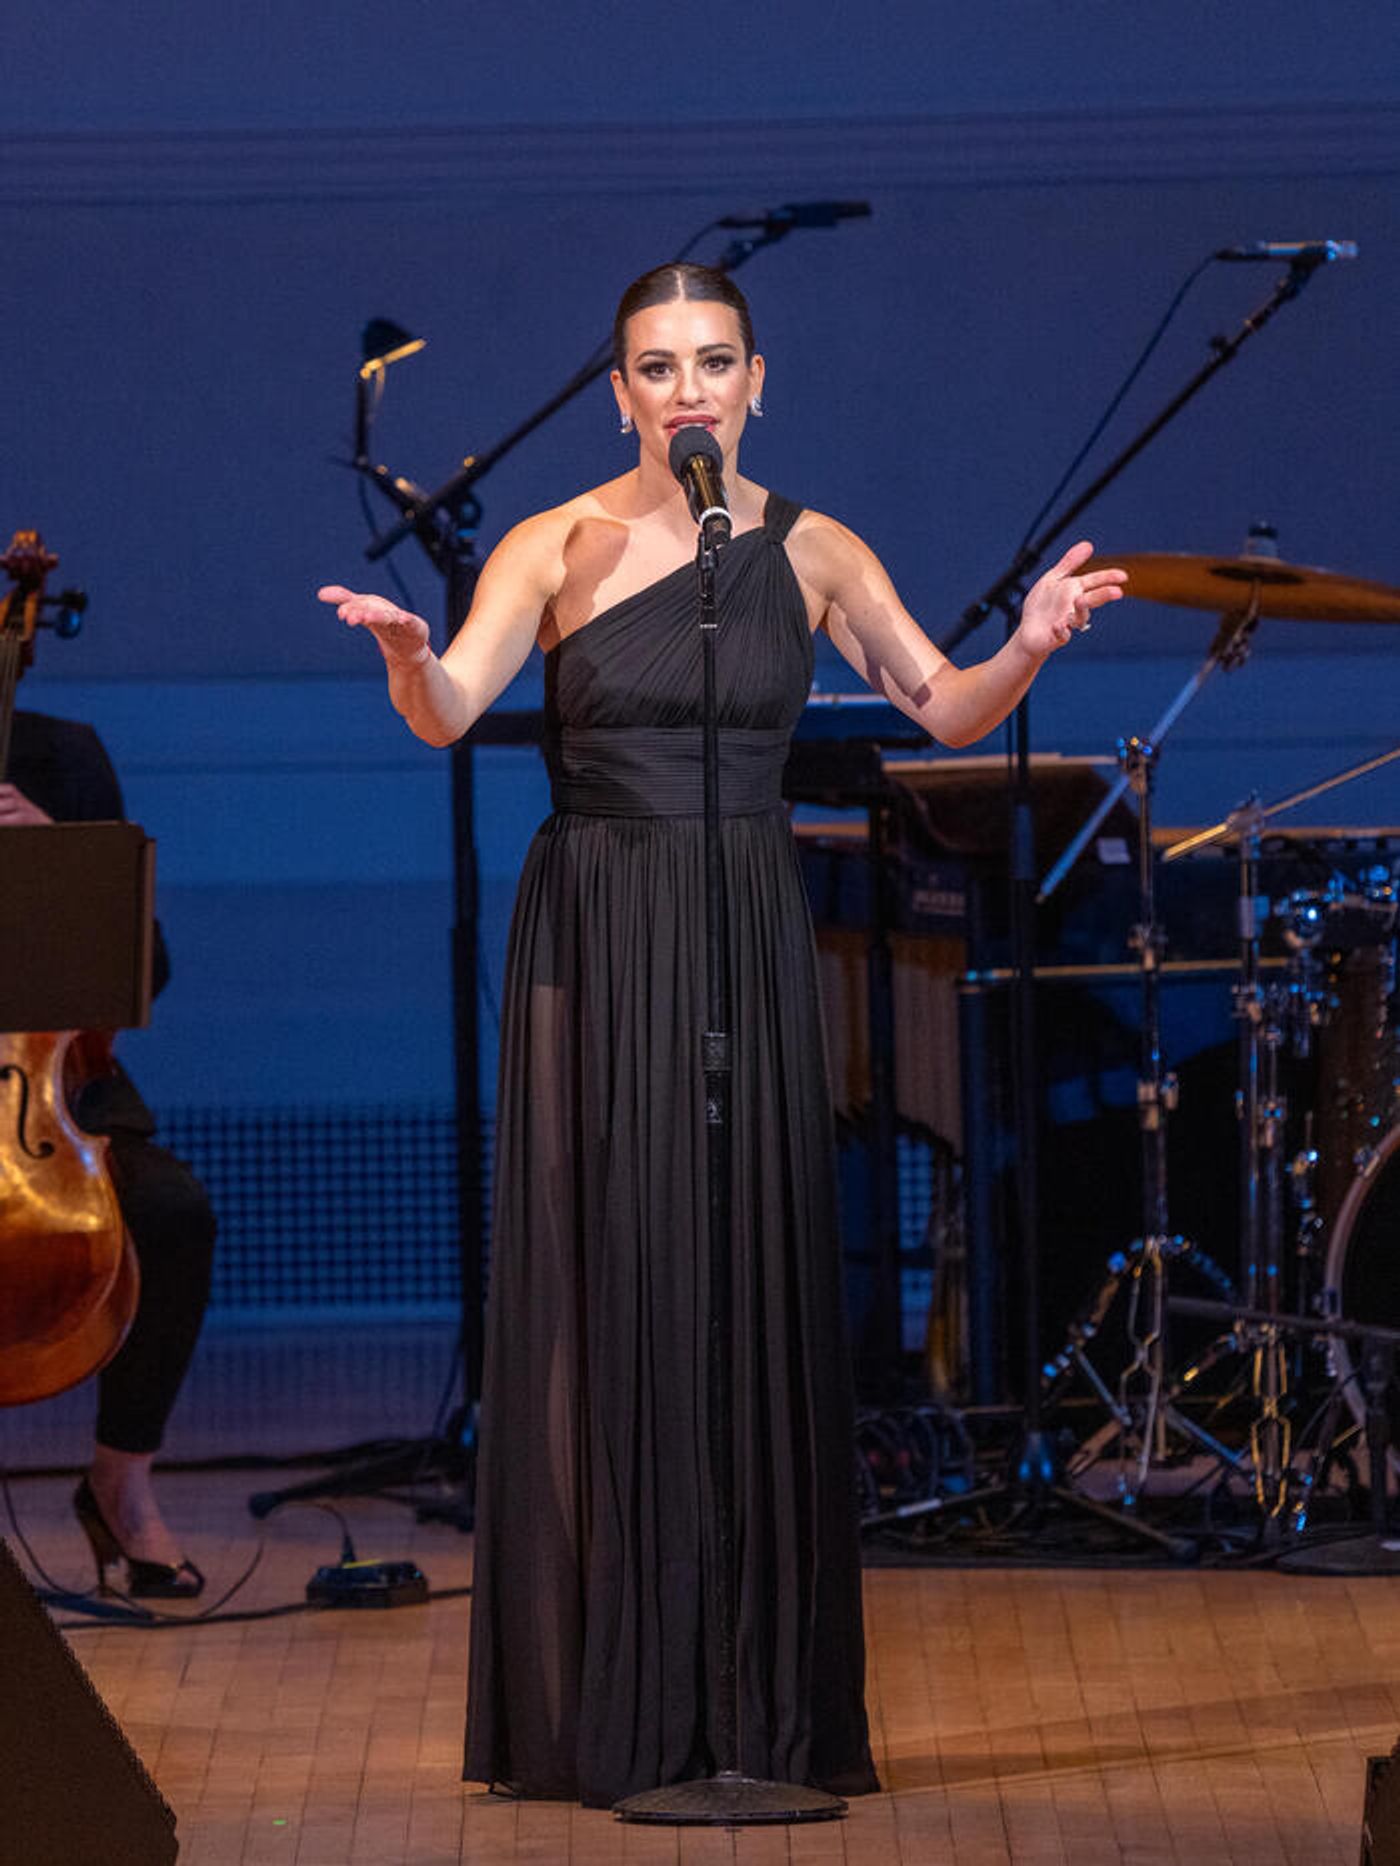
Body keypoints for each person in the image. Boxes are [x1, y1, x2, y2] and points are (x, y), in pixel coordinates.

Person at [320, 262, 1126, 1807]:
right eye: (654, 366)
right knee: (617, 1279)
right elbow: (451, 705)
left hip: (746, 928)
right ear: (617, 390)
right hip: (601, 926)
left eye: (713, 361)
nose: (686, 389)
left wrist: (1027, 641)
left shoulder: (814, 547)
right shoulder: (553, 540)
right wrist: (409, 654)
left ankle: (753, 1698)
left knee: (745, 1275)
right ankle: (613, 1702)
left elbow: (942, 704)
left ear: (762, 377)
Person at [1, 707, 216, 1597]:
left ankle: (120, 1487)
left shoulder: (61, 754)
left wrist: (60, 865)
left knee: (172, 1213)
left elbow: (142, 970)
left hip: (48, 1087)